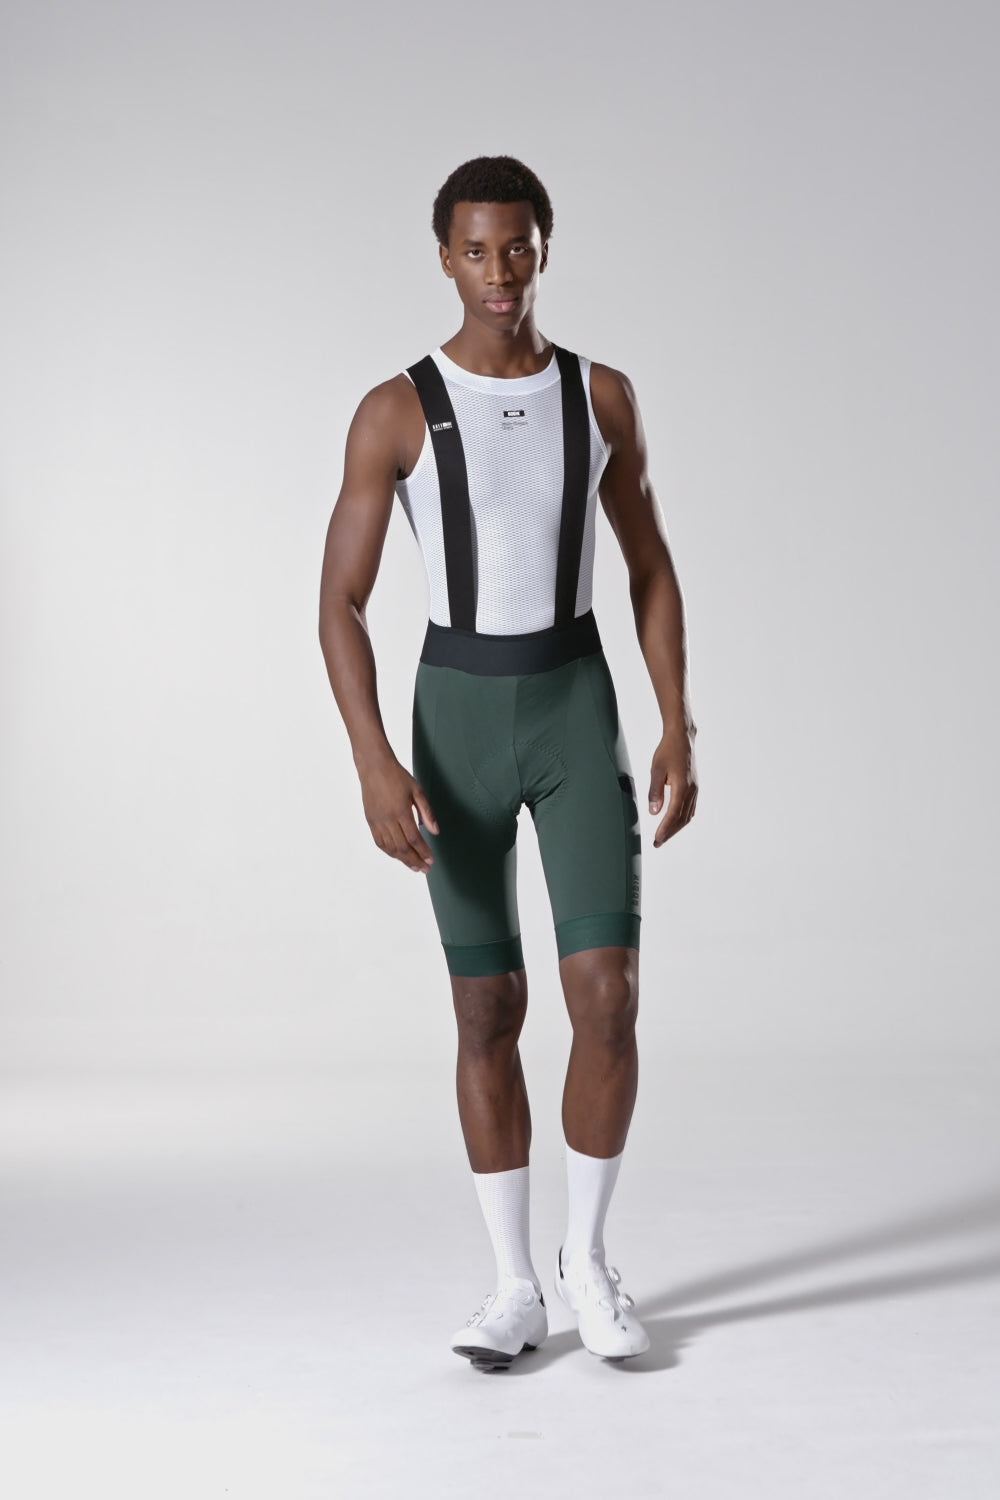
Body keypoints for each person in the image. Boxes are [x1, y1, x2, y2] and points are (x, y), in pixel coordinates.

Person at [317, 155, 698, 1372]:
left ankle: (588, 1262)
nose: (499, 271)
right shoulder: (396, 409)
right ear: (444, 257)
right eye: (476, 250)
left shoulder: (602, 396)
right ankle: (513, 1287)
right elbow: (338, 602)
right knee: (487, 1006)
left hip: (575, 709)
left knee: (608, 999)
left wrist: (677, 719)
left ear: (544, 247)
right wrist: (374, 761)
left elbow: (648, 564)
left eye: (518, 247)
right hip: (457, 723)